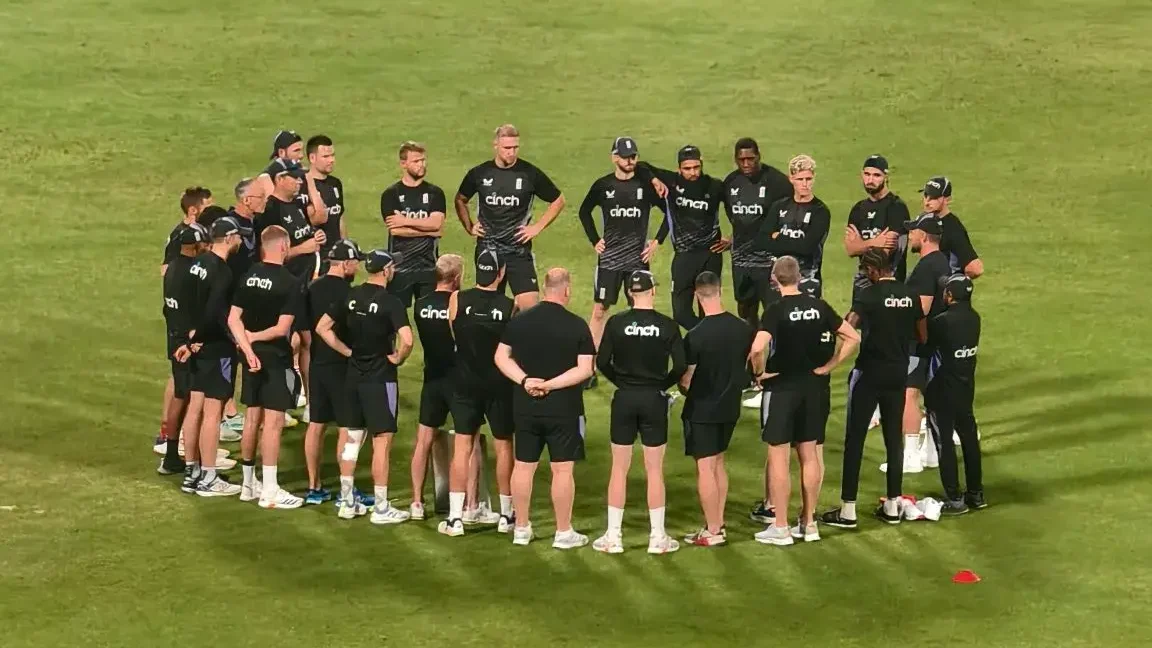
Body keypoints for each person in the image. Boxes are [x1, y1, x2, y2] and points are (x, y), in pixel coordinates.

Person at [749, 256, 859, 546]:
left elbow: (758, 348)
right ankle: (809, 523)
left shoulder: (775, 311)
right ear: (798, 277)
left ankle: (781, 527)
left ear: (774, 279)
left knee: (778, 457)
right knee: (810, 454)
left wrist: (759, 373)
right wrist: (830, 366)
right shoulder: (818, 306)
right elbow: (852, 337)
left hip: (782, 388)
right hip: (814, 387)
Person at [494, 268, 595, 549]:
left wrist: (526, 381)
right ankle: (563, 532)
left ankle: (522, 528)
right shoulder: (576, 325)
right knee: (562, 470)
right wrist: (551, 385)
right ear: (566, 290)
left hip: (526, 406)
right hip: (564, 408)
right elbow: (585, 369)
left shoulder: (520, 321)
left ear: (544, 287)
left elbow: (500, 357)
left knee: (524, 467)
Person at [821, 249, 922, 529]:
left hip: (869, 374)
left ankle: (848, 510)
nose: (864, 275)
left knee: (855, 440)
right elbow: (921, 333)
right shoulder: (910, 295)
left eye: (865, 270)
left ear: (874, 270)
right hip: (898, 374)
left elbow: (847, 327)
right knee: (893, 440)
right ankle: (892, 506)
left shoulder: (868, 296)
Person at [315, 250, 414, 524]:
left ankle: (347, 501)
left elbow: (322, 328)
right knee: (382, 441)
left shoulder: (350, 295)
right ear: (386, 271)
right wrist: (397, 358)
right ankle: (381, 508)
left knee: (351, 439)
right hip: (380, 378)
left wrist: (347, 351)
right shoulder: (391, 302)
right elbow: (407, 339)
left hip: (353, 376)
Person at [592, 270, 686, 554]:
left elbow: (602, 361)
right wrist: (661, 385)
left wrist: (622, 382)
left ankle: (613, 536)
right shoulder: (668, 326)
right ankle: (657, 537)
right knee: (654, 469)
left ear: (630, 293)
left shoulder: (617, 323)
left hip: (624, 399)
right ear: (652, 291)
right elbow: (680, 366)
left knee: (619, 468)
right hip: (653, 399)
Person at [438, 250, 518, 537]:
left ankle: (456, 518)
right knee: (504, 447)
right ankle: (506, 514)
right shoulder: (511, 306)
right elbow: (512, 347)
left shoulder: (457, 300)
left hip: (465, 383)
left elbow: (453, 332)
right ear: (500, 274)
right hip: (498, 385)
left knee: (462, 448)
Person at [228, 226, 306, 509]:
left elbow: (233, 319)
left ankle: (248, 485)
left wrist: (247, 348)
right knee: (272, 424)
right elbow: (282, 328)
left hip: (252, 358)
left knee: (252, 418)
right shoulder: (290, 282)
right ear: (284, 247)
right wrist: (256, 339)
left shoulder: (249, 276)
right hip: (275, 357)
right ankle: (270, 490)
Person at [677, 271, 755, 547]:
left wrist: (681, 388)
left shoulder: (695, 336)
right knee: (719, 462)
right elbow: (753, 361)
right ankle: (717, 523)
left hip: (702, 409)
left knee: (706, 468)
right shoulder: (743, 329)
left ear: (697, 295)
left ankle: (712, 531)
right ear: (720, 291)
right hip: (730, 406)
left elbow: (687, 380)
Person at [454, 124, 566, 311]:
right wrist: (469, 226)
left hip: (518, 251)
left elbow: (558, 200)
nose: (511, 153)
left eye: (515, 148)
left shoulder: (529, 173)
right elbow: (460, 199)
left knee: (530, 309)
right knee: (487, 309)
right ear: (496, 146)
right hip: (488, 250)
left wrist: (536, 227)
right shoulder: (480, 173)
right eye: (507, 148)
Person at [578, 136, 667, 359]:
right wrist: (594, 239)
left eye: (633, 156)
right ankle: (589, 364)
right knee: (599, 311)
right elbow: (584, 211)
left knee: (642, 312)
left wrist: (657, 241)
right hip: (609, 260)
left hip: (638, 260)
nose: (630, 161)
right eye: (625, 157)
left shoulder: (645, 186)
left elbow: (669, 213)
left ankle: (639, 360)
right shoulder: (603, 185)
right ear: (614, 158)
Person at [182, 216, 247, 497]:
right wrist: (206, 339)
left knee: (195, 407)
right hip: (215, 347)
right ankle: (209, 477)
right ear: (230, 238)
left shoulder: (197, 265)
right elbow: (215, 313)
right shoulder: (222, 272)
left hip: (196, 346)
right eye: (239, 237)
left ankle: (192, 470)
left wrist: (188, 339)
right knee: (213, 413)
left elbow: (186, 305)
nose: (241, 241)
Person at [637, 145, 727, 330]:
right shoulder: (671, 182)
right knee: (680, 313)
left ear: (701, 165)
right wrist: (654, 180)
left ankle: (707, 350)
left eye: (696, 167)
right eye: (687, 168)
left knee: (709, 310)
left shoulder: (714, 186)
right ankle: (704, 337)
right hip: (684, 256)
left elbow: (737, 210)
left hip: (710, 254)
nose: (692, 172)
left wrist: (733, 238)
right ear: (679, 168)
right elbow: (641, 166)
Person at [301, 240, 362, 505]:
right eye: (356, 262)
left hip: (317, 364)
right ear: (347, 263)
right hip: (341, 366)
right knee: (346, 426)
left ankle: (314, 486)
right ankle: (345, 489)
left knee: (316, 425)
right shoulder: (349, 293)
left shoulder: (312, 288)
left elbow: (304, 329)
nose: (357, 267)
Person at [892, 215, 953, 474]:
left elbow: (922, 309)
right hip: (939, 342)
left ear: (925, 236)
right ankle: (930, 453)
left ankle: (910, 457)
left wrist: (913, 337)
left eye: (914, 232)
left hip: (920, 344)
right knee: (932, 398)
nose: (911, 237)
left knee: (909, 396)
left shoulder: (928, 266)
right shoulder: (942, 262)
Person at [925, 275, 985, 514]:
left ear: (949, 295)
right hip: (965, 389)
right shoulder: (975, 318)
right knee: (970, 441)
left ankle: (955, 499)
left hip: (942, 391)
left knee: (945, 443)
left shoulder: (942, 322)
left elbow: (926, 346)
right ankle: (976, 494)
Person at [410, 254, 463, 520]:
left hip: (432, 378)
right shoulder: (460, 305)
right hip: (457, 380)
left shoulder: (420, 305)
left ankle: (417, 502)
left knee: (423, 441)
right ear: (456, 279)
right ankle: (471, 503)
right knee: (468, 442)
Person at [722, 138, 792, 329]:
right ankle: (753, 353)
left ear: (758, 156)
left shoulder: (777, 182)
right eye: (741, 160)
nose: (746, 164)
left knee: (773, 311)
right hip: (741, 260)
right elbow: (733, 214)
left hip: (768, 260)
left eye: (750, 159)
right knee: (745, 310)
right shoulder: (730, 182)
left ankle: (774, 354)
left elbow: (789, 212)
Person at [220, 179, 268, 436]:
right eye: (260, 196)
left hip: (247, 300)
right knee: (229, 356)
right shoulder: (230, 226)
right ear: (246, 200)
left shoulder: (254, 223)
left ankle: (237, 412)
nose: (265, 200)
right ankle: (226, 416)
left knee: (242, 354)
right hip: (230, 303)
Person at [159, 225, 207, 477]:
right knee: (194, 401)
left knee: (181, 395)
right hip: (189, 344)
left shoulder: (172, 269)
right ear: (194, 247)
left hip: (174, 338)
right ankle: (195, 462)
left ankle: (171, 454)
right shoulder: (192, 273)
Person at [381, 141, 448, 308]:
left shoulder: (435, 193)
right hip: (400, 268)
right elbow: (396, 231)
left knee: (429, 317)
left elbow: (437, 224)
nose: (421, 165)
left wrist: (405, 221)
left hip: (429, 268)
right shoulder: (391, 194)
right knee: (396, 318)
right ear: (403, 164)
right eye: (416, 161)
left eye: (423, 160)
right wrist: (428, 230)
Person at [844, 155, 909, 295]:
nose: (870, 180)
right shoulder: (858, 209)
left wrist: (861, 244)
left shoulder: (896, 208)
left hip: (890, 286)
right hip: (862, 287)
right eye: (867, 174)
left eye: (876, 175)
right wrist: (874, 242)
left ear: (885, 177)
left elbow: (884, 253)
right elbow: (850, 249)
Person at [920, 176, 984, 279]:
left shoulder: (953, 228)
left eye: (934, 198)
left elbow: (976, 268)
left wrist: (954, 283)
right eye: (926, 195)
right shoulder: (926, 221)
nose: (927, 202)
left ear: (947, 200)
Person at [298, 135, 345, 257]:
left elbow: (339, 216)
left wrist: (344, 246)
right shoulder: (303, 186)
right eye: (326, 156)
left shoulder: (335, 183)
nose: (331, 160)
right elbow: (316, 220)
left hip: (336, 254)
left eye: (332, 155)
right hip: (316, 255)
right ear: (312, 158)